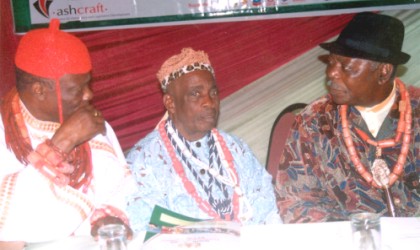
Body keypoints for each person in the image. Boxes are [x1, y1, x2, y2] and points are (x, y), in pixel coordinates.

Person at [0, 19, 134, 248]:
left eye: (88, 84)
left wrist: (108, 215)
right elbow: (9, 223)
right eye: (77, 89)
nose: (88, 95)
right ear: (39, 90)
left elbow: (122, 189)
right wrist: (62, 142)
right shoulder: (5, 131)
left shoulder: (90, 124)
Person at [275, 12, 420, 223]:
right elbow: (296, 202)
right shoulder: (314, 122)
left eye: (346, 66)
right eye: (331, 63)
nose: (331, 73)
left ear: (384, 72)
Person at [126, 47, 281, 233]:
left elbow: (269, 212)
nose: (209, 102)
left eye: (213, 93)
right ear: (170, 103)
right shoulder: (145, 160)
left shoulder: (235, 149)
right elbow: (142, 229)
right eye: (195, 94)